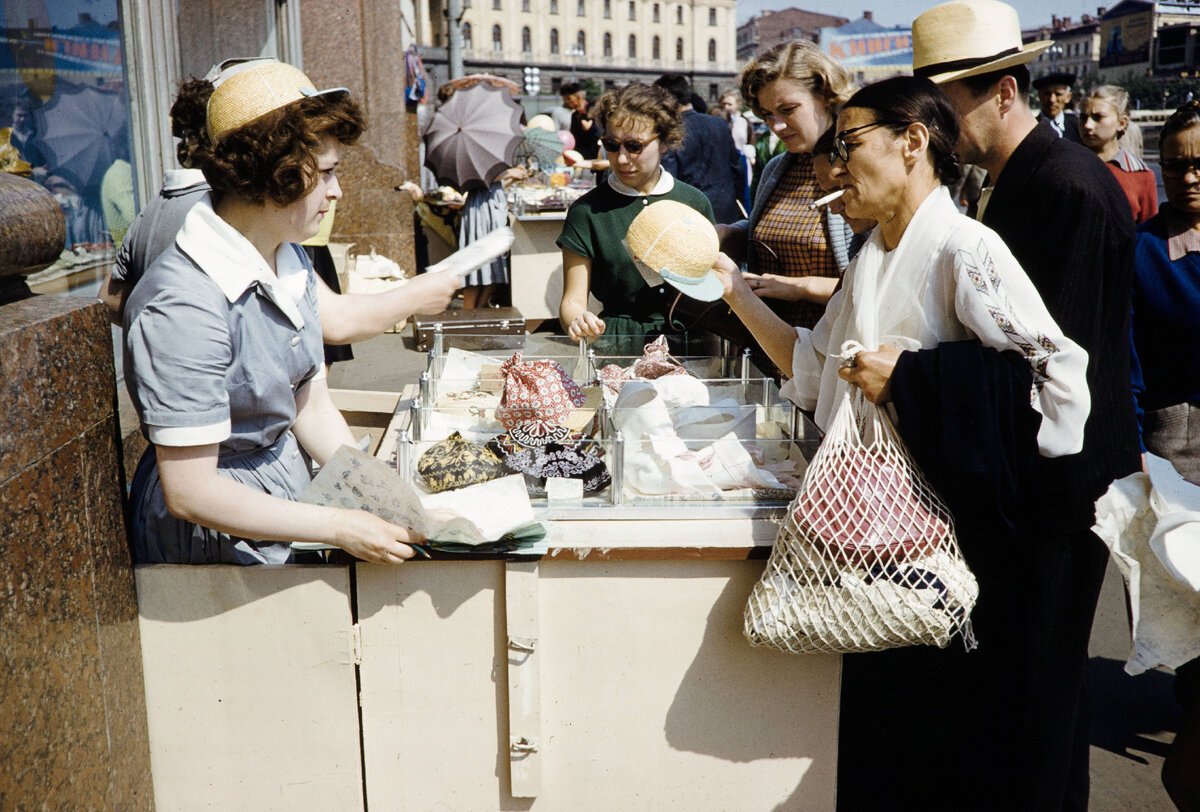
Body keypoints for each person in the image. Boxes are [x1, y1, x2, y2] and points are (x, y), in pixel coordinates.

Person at [712, 73, 1091, 810]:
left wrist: (918, 383)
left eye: (847, 144)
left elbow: (1062, 387)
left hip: (957, 550)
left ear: (912, 142)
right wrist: (734, 290)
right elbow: (811, 368)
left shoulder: (965, 249)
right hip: (876, 543)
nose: (831, 166)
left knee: (953, 757)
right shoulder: (870, 258)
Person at [907, 1, 1141, 807]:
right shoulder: (1019, 181)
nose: (937, 129)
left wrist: (908, 372)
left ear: (1005, 91)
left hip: (1060, 493)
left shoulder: (1064, 188)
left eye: (950, 108)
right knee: (1025, 705)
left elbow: (1050, 373)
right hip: (1034, 486)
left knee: (1038, 703)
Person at [123, 61, 423, 565]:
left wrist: (374, 490)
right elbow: (192, 492)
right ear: (271, 173)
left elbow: (309, 398)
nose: (337, 191)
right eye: (324, 173)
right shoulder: (180, 302)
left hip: (278, 500)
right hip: (216, 535)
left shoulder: (286, 252)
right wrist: (342, 524)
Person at [100, 62, 460, 338]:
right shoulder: (210, 223)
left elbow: (113, 296)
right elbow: (333, 322)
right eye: (323, 173)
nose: (335, 192)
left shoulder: (163, 209)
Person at [1128, 100, 1200, 811]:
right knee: (1183, 584)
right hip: (1175, 436)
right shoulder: (1145, 249)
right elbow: (1130, 355)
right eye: (1175, 164)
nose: (1188, 176)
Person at [556, 82, 714, 354]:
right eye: (611, 145)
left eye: (634, 145)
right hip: (617, 344)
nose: (622, 158)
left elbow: (713, 287)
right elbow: (572, 301)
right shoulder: (587, 211)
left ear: (664, 141)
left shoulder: (694, 202)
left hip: (687, 342)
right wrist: (579, 322)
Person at [720, 40, 857, 338]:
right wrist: (733, 233)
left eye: (788, 110)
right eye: (768, 114)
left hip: (833, 346)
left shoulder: (858, 167)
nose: (777, 125)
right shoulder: (778, 167)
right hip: (773, 343)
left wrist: (800, 288)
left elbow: (880, 281)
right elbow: (773, 231)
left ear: (826, 96)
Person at [653, 73, 745, 224]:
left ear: (666, 102)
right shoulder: (720, 124)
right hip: (726, 212)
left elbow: (668, 179)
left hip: (689, 216)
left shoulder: (672, 131)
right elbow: (737, 171)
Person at [1079, 84, 1158, 224]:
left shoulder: (1140, 175)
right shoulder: (1069, 166)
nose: (1087, 125)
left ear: (1121, 123)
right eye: (1083, 117)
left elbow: (1147, 235)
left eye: (1098, 117)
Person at [1034, 70, 1084, 144]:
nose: (1052, 100)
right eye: (1047, 94)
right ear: (1039, 95)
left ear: (1068, 97)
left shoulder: (1078, 127)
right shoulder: (1031, 126)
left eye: (1058, 94)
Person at [558, 82, 601, 162]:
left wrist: (590, 128)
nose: (566, 102)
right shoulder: (574, 116)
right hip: (580, 157)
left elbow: (599, 135)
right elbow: (574, 137)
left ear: (578, 97)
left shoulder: (593, 110)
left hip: (596, 157)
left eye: (569, 99)